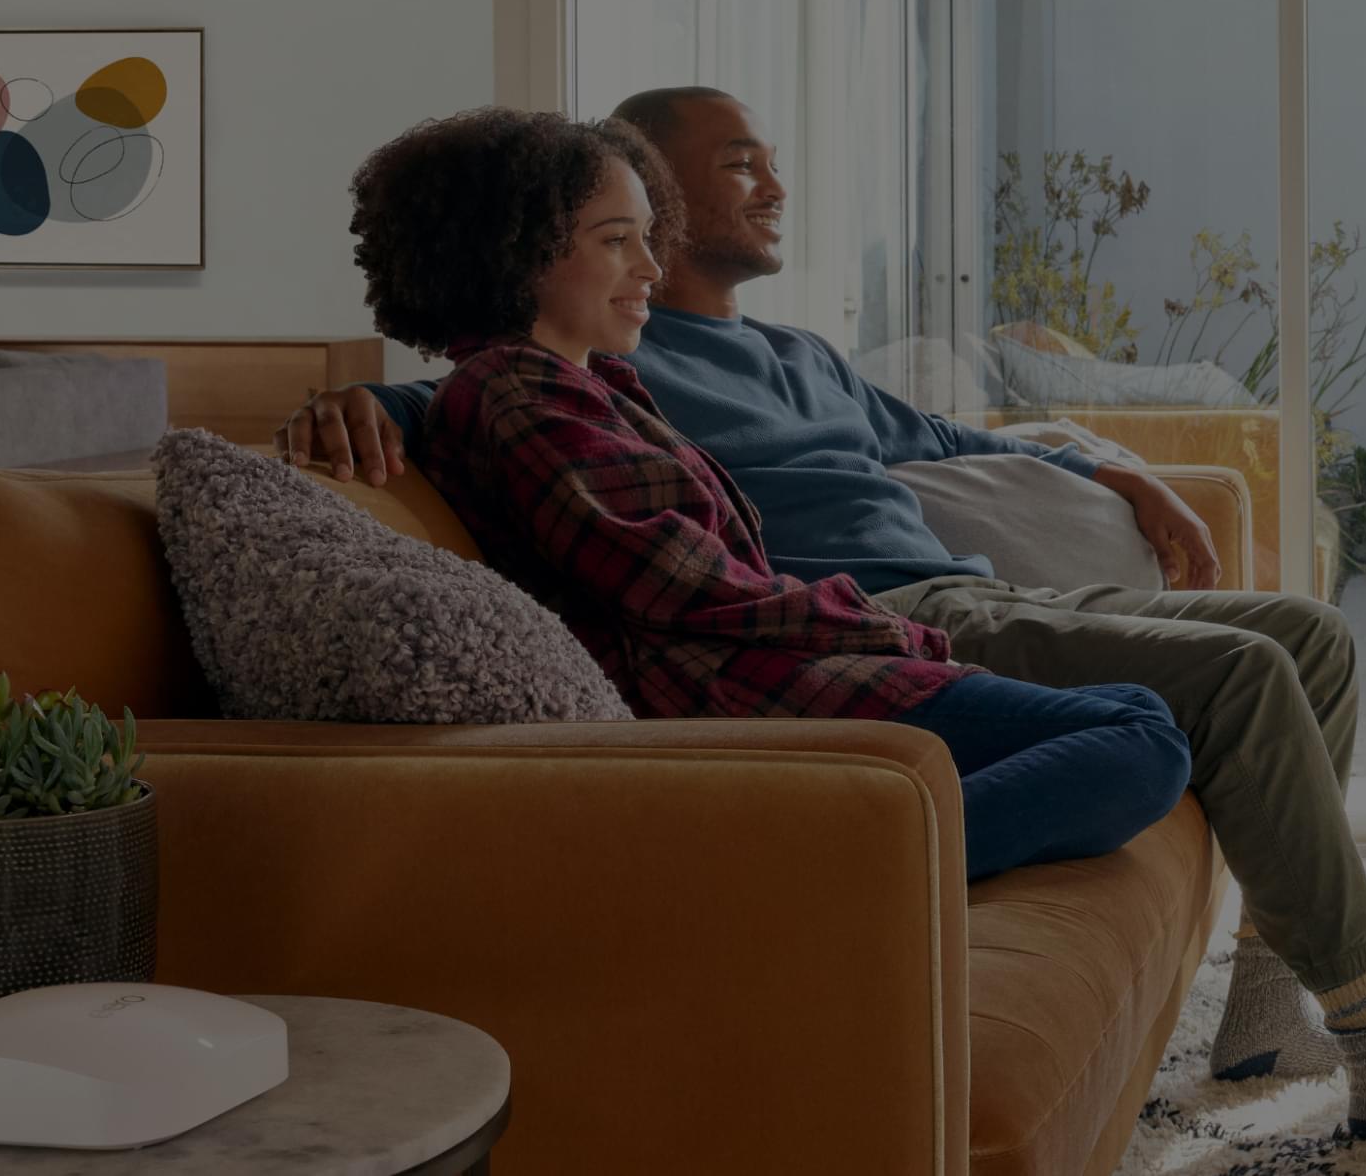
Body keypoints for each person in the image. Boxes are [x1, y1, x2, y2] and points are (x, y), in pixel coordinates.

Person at [292, 91, 1366, 1156]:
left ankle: (1265, 1014)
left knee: (1307, 634)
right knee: (1235, 682)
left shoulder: (780, 356)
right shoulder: (598, 368)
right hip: (857, 633)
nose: (763, 187)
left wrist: (1107, 463)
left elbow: (944, 436)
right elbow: (487, 409)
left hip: (940, 602)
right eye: (719, 171)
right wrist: (353, 406)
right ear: (583, 223)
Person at [342, 107, 1189, 884]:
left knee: (1136, 715)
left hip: (765, 673)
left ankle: (883, 840)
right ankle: (826, 874)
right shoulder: (517, 393)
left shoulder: (592, 384)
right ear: (516, 253)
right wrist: (882, 627)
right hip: (727, 695)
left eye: (648, 235)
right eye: (614, 241)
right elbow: (687, 592)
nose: (649, 264)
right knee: (1139, 737)